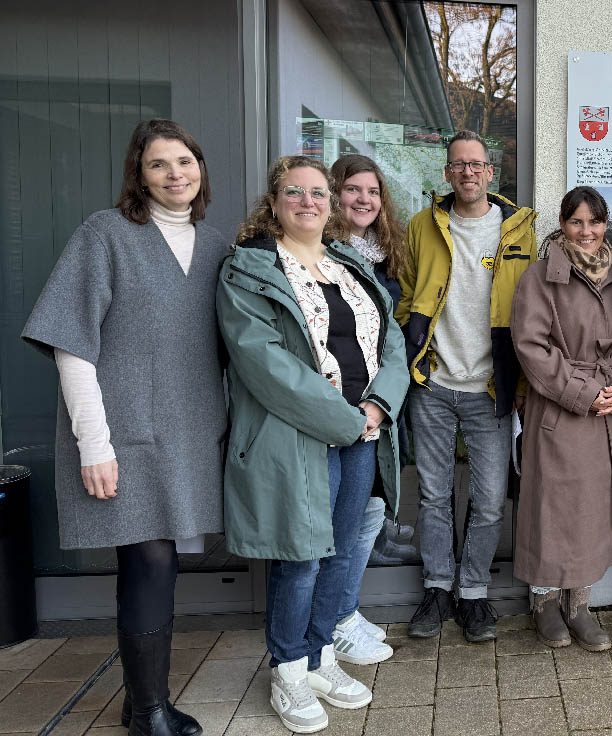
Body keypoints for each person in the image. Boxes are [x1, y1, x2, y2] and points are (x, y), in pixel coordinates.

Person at [22, 119, 227, 736]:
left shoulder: (217, 246)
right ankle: (147, 712)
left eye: (185, 162)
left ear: (200, 169)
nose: (175, 174)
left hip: (192, 434)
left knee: (162, 562)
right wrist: (94, 445)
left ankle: (146, 701)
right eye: (159, 164)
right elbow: (71, 346)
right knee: (149, 562)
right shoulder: (106, 235)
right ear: (138, 174)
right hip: (124, 436)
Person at [217, 155, 409, 733]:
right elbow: (265, 364)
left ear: (330, 204)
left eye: (318, 193)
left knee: (344, 550)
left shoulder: (348, 264)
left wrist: (376, 407)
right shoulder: (248, 271)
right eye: (294, 193)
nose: (308, 202)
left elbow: (392, 342)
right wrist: (344, 419)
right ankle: (288, 671)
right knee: (301, 559)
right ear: (273, 203)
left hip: (362, 433)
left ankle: (321, 653)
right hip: (298, 438)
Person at [396, 130, 537, 642]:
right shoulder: (422, 226)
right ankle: (437, 587)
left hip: (491, 390)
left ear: (490, 172)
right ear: (447, 173)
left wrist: (521, 381)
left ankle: (473, 592)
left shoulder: (518, 232)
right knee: (433, 496)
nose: (468, 173)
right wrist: (416, 354)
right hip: (432, 386)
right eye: (459, 165)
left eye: (476, 164)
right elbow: (407, 296)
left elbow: (532, 311)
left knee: (489, 499)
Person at [510, 186, 612, 650]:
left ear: (607, 224)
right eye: (576, 221)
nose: (586, 231)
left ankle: (580, 605)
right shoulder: (540, 277)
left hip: (610, 415)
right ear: (562, 225)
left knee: (593, 514)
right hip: (560, 410)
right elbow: (531, 347)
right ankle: (545, 604)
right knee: (551, 510)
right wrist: (585, 393)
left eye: (595, 221)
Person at [326, 154, 412, 666]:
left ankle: (344, 609)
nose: (364, 200)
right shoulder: (324, 252)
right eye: (353, 190)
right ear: (335, 195)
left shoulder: (384, 253)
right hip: (341, 408)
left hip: (380, 403)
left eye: (373, 192)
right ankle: (333, 621)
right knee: (344, 519)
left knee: (370, 513)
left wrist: (383, 400)